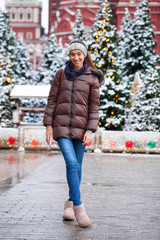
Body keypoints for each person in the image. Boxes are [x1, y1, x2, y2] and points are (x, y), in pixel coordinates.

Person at [43, 39, 104, 228]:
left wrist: (90, 130)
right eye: (72, 54)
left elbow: (94, 107)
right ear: (69, 56)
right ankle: (79, 207)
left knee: (77, 167)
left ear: (84, 55)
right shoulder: (61, 75)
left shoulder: (92, 78)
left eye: (79, 54)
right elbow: (52, 100)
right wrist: (48, 126)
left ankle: (68, 205)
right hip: (60, 127)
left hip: (81, 128)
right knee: (71, 162)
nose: (76, 57)